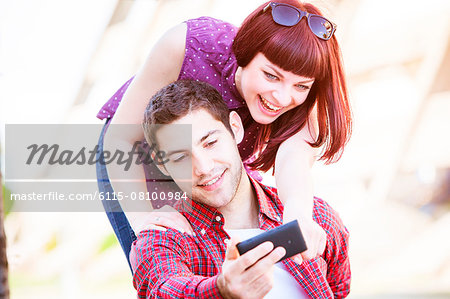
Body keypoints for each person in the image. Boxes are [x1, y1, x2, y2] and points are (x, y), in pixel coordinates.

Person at [97, 0, 352, 264]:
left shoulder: (304, 105)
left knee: (226, 263)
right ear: (246, 53)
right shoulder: (188, 44)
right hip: (133, 160)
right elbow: (120, 138)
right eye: (271, 76)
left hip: (212, 170)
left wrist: (299, 215)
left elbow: (294, 160)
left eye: (301, 85)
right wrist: (142, 222)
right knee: (160, 256)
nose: (282, 97)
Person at [130, 80, 350, 298]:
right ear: (161, 164)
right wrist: (221, 290)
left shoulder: (316, 217)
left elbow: (339, 290)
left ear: (235, 129)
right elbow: (164, 289)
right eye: (180, 157)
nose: (204, 168)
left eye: (210, 143)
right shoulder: (162, 239)